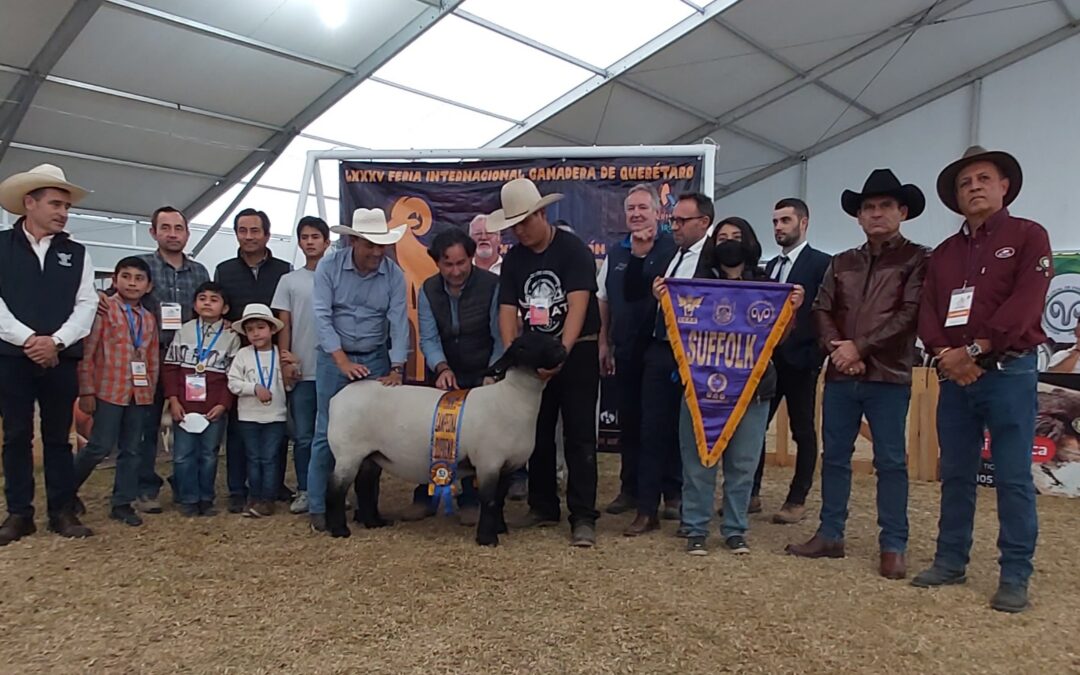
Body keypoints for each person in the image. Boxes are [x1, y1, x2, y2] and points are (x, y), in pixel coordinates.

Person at [913, 146, 1052, 614]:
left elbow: (1025, 304)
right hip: (955, 377)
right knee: (955, 473)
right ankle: (951, 559)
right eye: (964, 182)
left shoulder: (1029, 237)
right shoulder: (946, 253)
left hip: (1009, 371)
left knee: (1012, 477)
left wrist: (974, 350)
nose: (974, 187)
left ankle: (1015, 575)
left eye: (983, 178)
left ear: (1004, 185)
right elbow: (928, 310)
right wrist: (943, 354)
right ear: (956, 196)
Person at [785, 169, 930, 579]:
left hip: (889, 375)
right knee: (835, 457)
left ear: (902, 211)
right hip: (841, 375)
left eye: (885, 206)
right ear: (859, 216)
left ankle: (893, 544)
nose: (876, 213)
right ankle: (831, 534)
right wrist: (840, 351)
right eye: (869, 207)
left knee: (890, 461)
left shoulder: (920, 258)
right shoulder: (841, 262)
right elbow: (820, 309)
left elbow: (910, 313)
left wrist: (859, 348)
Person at [676, 215, 804, 555]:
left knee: (743, 463)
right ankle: (695, 528)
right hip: (701, 388)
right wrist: (663, 295)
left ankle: (735, 529)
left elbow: (779, 339)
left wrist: (791, 309)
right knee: (698, 462)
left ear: (749, 241)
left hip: (754, 388)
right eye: (722, 238)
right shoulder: (694, 286)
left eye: (736, 236)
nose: (730, 242)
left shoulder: (768, 285)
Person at [490, 178, 601, 547]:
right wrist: (513, 353)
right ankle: (542, 505)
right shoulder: (515, 259)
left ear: (542, 213)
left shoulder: (573, 250)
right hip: (533, 356)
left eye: (524, 222)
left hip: (577, 350)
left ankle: (583, 515)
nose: (519, 231)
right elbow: (507, 308)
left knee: (580, 435)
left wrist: (563, 352)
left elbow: (579, 304)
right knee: (534, 432)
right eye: (513, 225)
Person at [0, 164, 97, 544]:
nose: (63, 212)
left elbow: (87, 304)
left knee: (59, 436)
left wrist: (55, 342)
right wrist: (29, 340)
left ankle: (62, 510)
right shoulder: (1, 247)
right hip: (10, 357)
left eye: (66, 206)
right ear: (30, 203)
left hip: (60, 358)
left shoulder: (76, 253)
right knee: (16, 435)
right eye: (55, 204)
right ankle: (19, 513)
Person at [308, 208, 409, 532]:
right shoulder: (329, 267)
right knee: (326, 433)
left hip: (376, 357)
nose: (377, 252)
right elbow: (321, 316)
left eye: (382, 246)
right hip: (333, 358)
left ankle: (367, 510)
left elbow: (398, 320)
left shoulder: (393, 274)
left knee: (374, 434)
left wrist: (396, 367)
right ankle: (318, 509)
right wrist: (342, 362)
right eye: (370, 245)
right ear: (353, 241)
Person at [403, 227, 502, 525]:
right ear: (437, 263)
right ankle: (426, 496)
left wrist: (492, 374)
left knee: (477, 441)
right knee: (434, 432)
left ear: (471, 258)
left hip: (484, 371)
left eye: (462, 263)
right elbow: (428, 338)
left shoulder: (493, 285)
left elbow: (500, 335)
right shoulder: (428, 290)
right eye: (448, 264)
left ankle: (471, 499)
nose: (456, 271)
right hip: (446, 371)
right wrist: (441, 368)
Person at [600, 184, 680, 532]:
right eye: (630, 208)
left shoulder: (673, 249)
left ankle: (672, 493)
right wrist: (604, 342)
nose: (635, 214)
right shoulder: (616, 252)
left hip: (660, 350)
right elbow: (604, 299)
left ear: (657, 212)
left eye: (642, 208)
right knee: (629, 422)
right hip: (625, 348)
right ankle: (629, 489)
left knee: (662, 424)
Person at [755, 198, 831, 524]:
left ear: (804, 223)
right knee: (755, 428)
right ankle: (750, 493)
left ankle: (797, 499)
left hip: (802, 360)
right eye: (774, 222)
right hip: (769, 362)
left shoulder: (822, 263)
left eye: (785, 221)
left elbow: (828, 311)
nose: (778, 228)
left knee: (803, 431)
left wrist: (817, 353)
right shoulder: (769, 267)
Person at [131, 206, 211, 514]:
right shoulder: (144, 268)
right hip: (152, 357)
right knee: (147, 425)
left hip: (192, 362)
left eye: (179, 228)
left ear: (187, 234)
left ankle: (185, 483)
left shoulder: (201, 272)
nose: (173, 234)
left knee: (190, 423)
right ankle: (145, 488)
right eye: (166, 228)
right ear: (154, 232)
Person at [72, 256, 160, 526]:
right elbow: (87, 352)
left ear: (148, 286)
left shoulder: (148, 318)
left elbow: (152, 358)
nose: (132, 283)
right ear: (115, 279)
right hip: (108, 389)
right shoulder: (103, 309)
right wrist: (86, 390)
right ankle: (64, 489)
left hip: (139, 393)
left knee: (133, 448)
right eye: (127, 276)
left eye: (139, 278)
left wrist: (151, 392)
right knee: (99, 445)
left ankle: (122, 503)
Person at [213, 208, 291, 512]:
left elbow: (287, 312)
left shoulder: (283, 269)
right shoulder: (224, 269)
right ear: (236, 234)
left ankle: (273, 486)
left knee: (276, 426)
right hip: (236, 356)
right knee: (237, 427)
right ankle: (237, 488)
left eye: (255, 230)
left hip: (273, 356)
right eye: (242, 230)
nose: (249, 236)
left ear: (267, 235)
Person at [162, 282, 241, 517]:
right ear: (195, 304)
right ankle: (188, 498)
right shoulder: (184, 331)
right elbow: (170, 369)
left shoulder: (231, 336)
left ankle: (206, 498)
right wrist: (173, 400)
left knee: (208, 454)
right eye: (202, 298)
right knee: (183, 454)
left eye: (214, 299)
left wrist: (223, 405)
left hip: (213, 409)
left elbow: (232, 375)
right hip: (184, 407)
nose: (207, 302)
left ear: (225, 309)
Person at [271, 216, 331, 515]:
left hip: (334, 370)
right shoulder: (289, 281)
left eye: (315, 237)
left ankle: (331, 489)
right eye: (304, 237)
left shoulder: (336, 277)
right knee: (305, 435)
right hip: (303, 369)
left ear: (327, 242)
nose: (310, 242)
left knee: (334, 435)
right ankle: (306, 489)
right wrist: (285, 359)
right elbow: (285, 324)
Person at [227, 304, 290, 518]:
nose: (256, 333)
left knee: (270, 458)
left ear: (272, 329)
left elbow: (289, 386)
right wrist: (253, 388)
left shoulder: (280, 355)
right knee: (253, 457)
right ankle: (255, 496)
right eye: (251, 329)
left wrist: (295, 370)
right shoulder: (243, 355)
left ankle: (268, 498)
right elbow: (233, 383)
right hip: (248, 416)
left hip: (275, 416)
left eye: (261, 327)